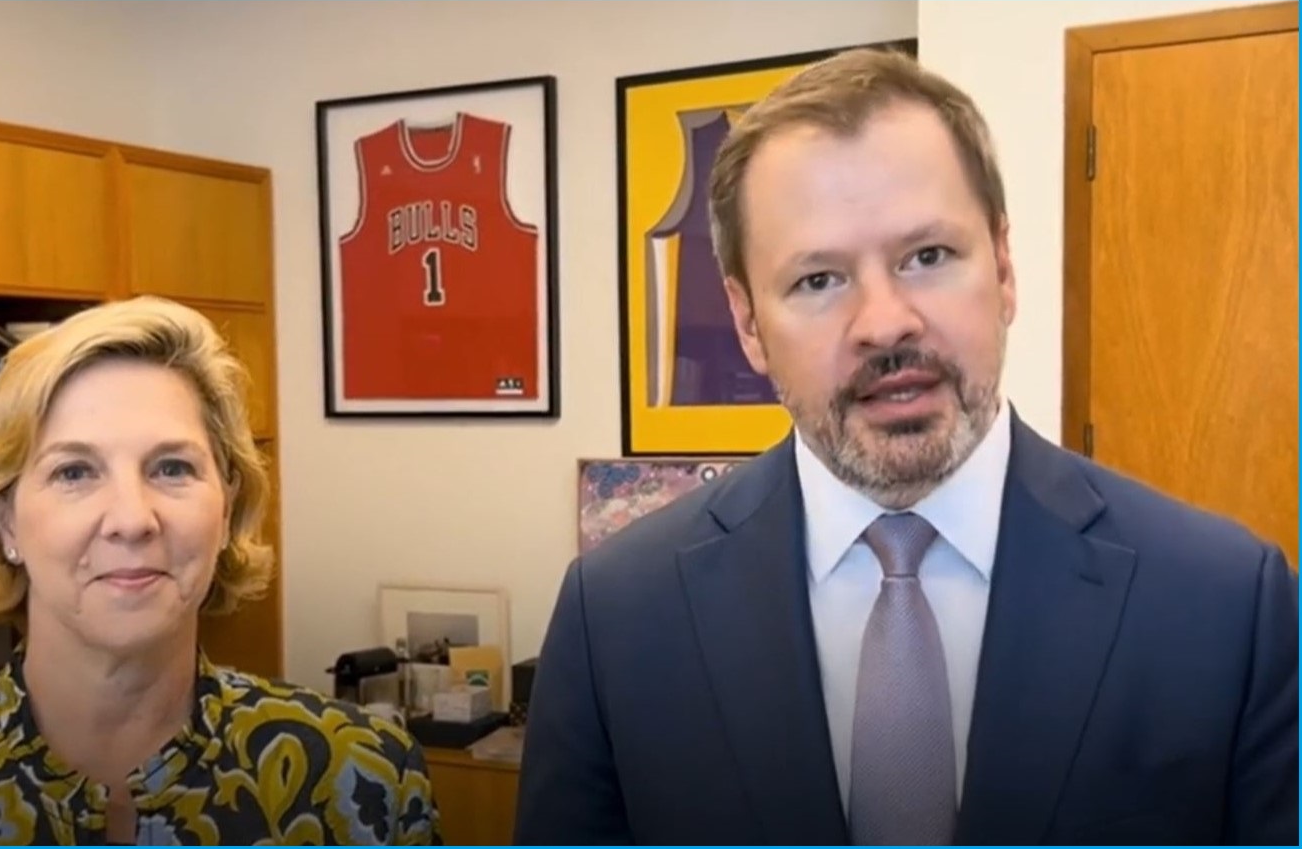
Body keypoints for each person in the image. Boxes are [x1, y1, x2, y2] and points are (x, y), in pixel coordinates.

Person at [514, 46, 1297, 846]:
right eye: (819, 279)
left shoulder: (1228, 603)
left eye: (928, 256)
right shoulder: (614, 616)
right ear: (748, 322)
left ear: (1003, 265)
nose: (885, 322)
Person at [0, 296, 443, 846]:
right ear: (6, 522)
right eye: (75, 471)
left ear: (228, 509)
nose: (132, 518)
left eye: (172, 467)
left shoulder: (361, 781)